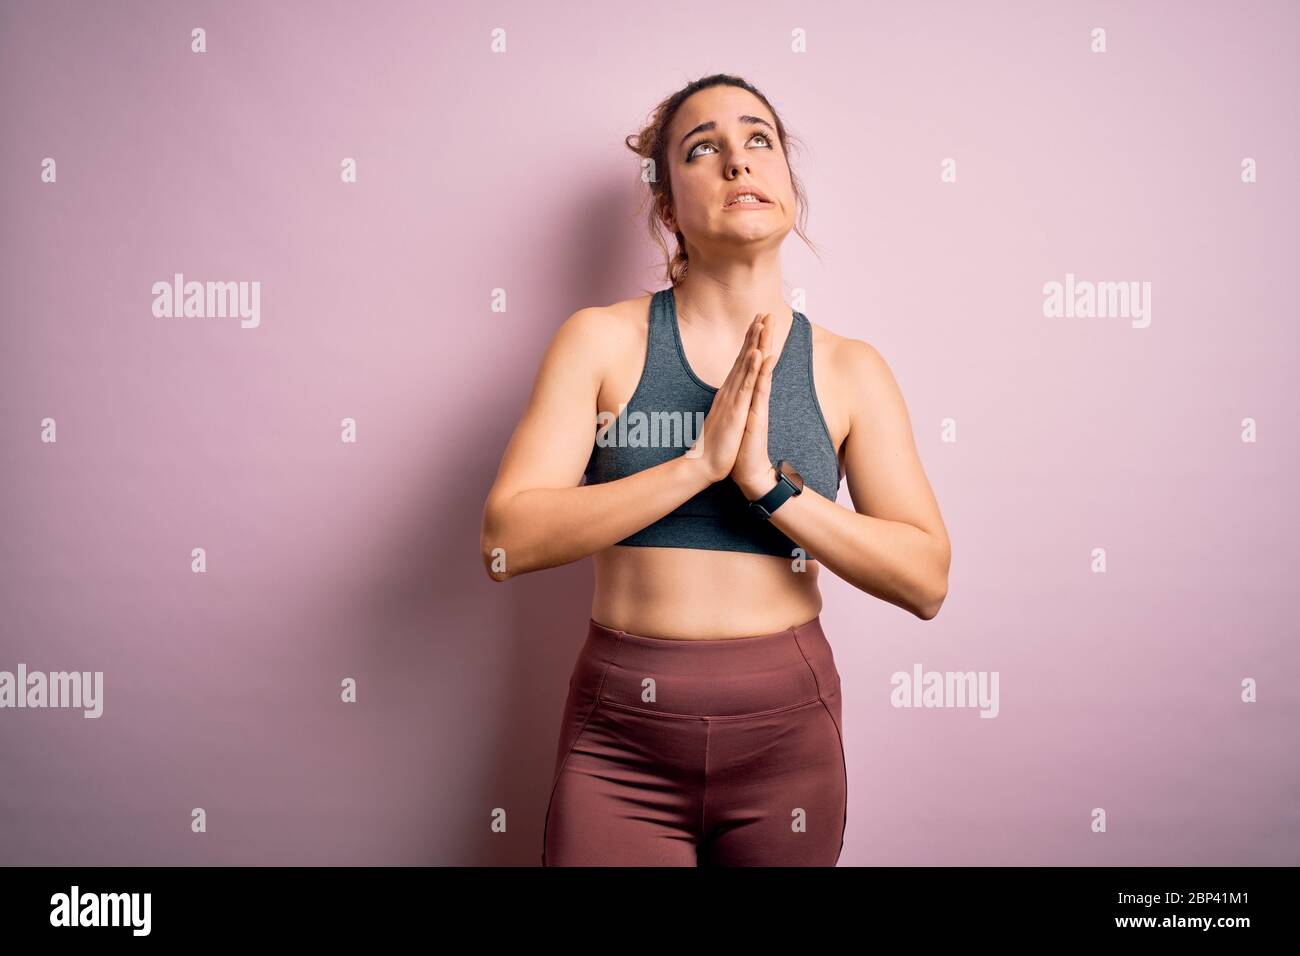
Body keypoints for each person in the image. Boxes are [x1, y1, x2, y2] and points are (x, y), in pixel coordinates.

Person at [480, 73, 951, 866]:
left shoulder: (850, 369)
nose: (739, 161)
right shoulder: (600, 342)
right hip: (620, 742)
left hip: (788, 744)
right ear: (667, 209)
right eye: (705, 149)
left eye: (759, 139)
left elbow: (926, 579)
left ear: (787, 187)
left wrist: (767, 486)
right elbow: (504, 541)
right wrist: (699, 463)